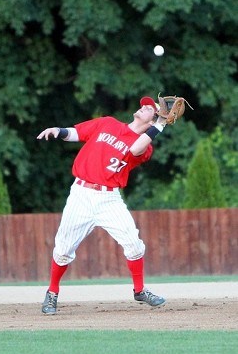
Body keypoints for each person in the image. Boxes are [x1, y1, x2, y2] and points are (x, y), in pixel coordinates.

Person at [37, 96, 167, 315]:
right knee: (63, 250)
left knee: (134, 245)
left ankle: (139, 290)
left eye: (150, 109)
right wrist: (57, 130)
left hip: (109, 199)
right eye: (144, 104)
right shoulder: (108, 123)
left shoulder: (145, 146)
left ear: (154, 119)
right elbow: (77, 133)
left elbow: (135, 149)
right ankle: (52, 293)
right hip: (81, 194)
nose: (144, 106)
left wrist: (160, 125)